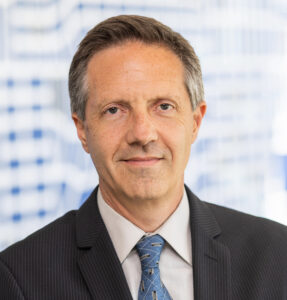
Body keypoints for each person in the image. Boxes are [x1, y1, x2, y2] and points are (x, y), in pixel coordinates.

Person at [0, 15, 286, 300]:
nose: (142, 133)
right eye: (114, 110)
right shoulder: (20, 278)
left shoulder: (277, 254)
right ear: (82, 130)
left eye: (163, 106)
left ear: (196, 121)